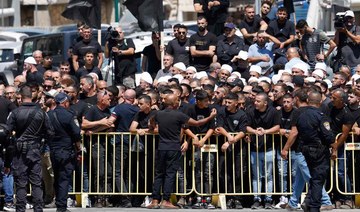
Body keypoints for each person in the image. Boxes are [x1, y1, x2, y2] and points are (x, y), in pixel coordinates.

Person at [146, 94, 217, 209]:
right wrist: (210, 117)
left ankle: (155, 200)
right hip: (173, 147)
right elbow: (197, 123)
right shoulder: (179, 115)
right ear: (174, 103)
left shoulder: (158, 113)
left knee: (159, 174)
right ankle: (166, 200)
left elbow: (151, 122)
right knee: (170, 174)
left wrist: (153, 127)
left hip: (161, 147)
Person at [6, 85, 54, 212]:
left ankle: (20, 209)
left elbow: (7, 132)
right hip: (35, 150)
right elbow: (50, 132)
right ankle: (38, 208)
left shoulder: (15, 113)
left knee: (21, 184)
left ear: (20, 97)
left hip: (19, 151)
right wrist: (42, 143)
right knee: (36, 182)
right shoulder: (41, 113)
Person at [292, 91, 335, 211]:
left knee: (313, 178)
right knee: (318, 179)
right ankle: (314, 206)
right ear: (320, 101)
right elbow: (328, 137)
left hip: (305, 149)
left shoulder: (301, 115)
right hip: (319, 150)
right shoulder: (321, 116)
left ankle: (309, 201)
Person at [47, 92, 82, 212]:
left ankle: (58, 202)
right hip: (66, 150)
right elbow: (76, 132)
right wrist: (79, 148)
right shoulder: (69, 115)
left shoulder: (48, 115)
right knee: (64, 178)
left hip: (53, 150)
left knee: (57, 177)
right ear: (65, 102)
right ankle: (61, 206)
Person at [246, 92, 280, 209]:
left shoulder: (273, 111)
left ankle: (268, 199)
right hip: (255, 149)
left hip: (269, 148)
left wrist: (265, 131)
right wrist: (254, 131)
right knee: (256, 176)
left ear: (265, 103)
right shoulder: (251, 111)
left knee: (268, 176)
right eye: (255, 100)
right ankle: (257, 199)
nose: (255, 103)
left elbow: (277, 127)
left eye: (258, 101)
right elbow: (246, 126)